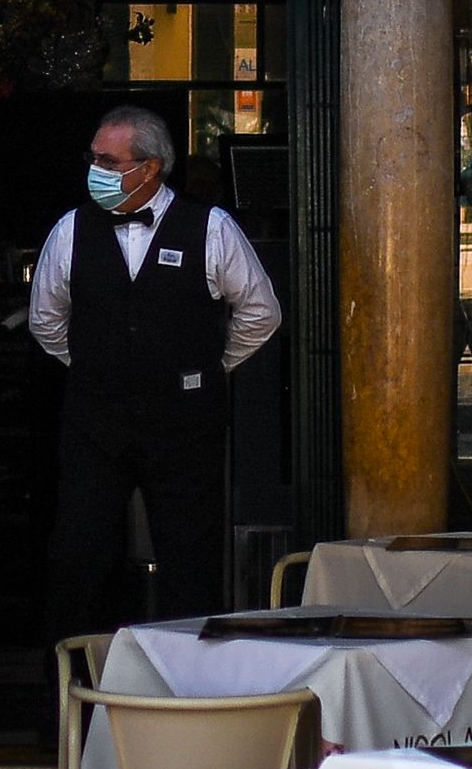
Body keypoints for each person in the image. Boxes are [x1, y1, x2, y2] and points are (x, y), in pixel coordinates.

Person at [28, 103, 282, 635]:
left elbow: (261, 312)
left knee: (190, 561)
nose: (94, 169)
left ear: (149, 168)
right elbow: (45, 320)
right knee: (80, 557)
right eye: (93, 158)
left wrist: (209, 366)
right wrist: (99, 365)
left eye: (107, 160)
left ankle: (188, 698)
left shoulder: (211, 227)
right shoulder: (71, 229)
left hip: (184, 420)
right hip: (95, 421)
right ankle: (74, 698)